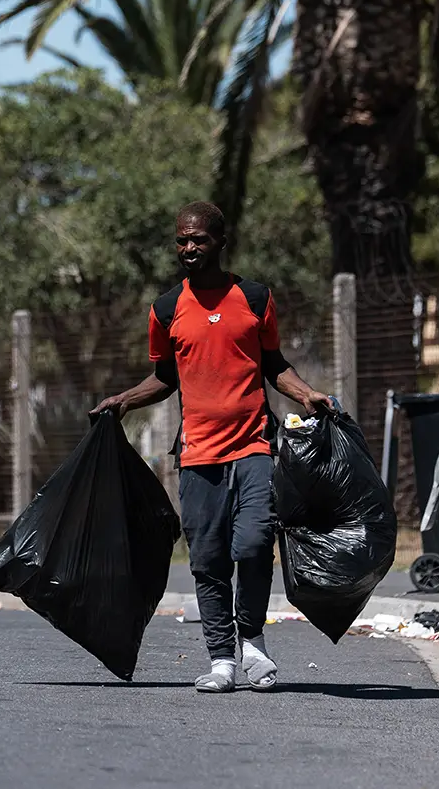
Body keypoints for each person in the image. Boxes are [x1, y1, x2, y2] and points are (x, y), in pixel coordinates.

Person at [94, 201, 334, 693]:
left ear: (220, 242)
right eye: (182, 240)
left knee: (254, 544)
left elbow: (273, 364)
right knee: (207, 558)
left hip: (254, 444)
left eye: (198, 239)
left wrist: (306, 393)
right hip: (198, 454)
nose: (189, 248)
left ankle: (253, 642)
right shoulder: (166, 309)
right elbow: (165, 376)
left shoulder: (254, 298)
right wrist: (124, 400)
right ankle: (222, 658)